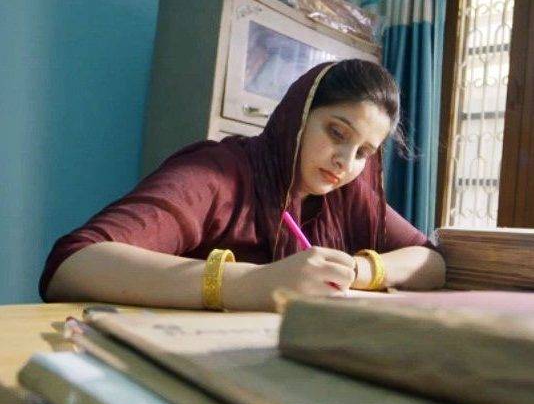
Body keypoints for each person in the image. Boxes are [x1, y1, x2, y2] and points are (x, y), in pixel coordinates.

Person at [41, 59, 445, 312]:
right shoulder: (219, 174)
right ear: (298, 115)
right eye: (337, 133)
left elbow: (431, 262)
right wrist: (253, 283)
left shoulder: (348, 196)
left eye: (363, 153)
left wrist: (356, 270)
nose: (345, 161)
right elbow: (74, 265)